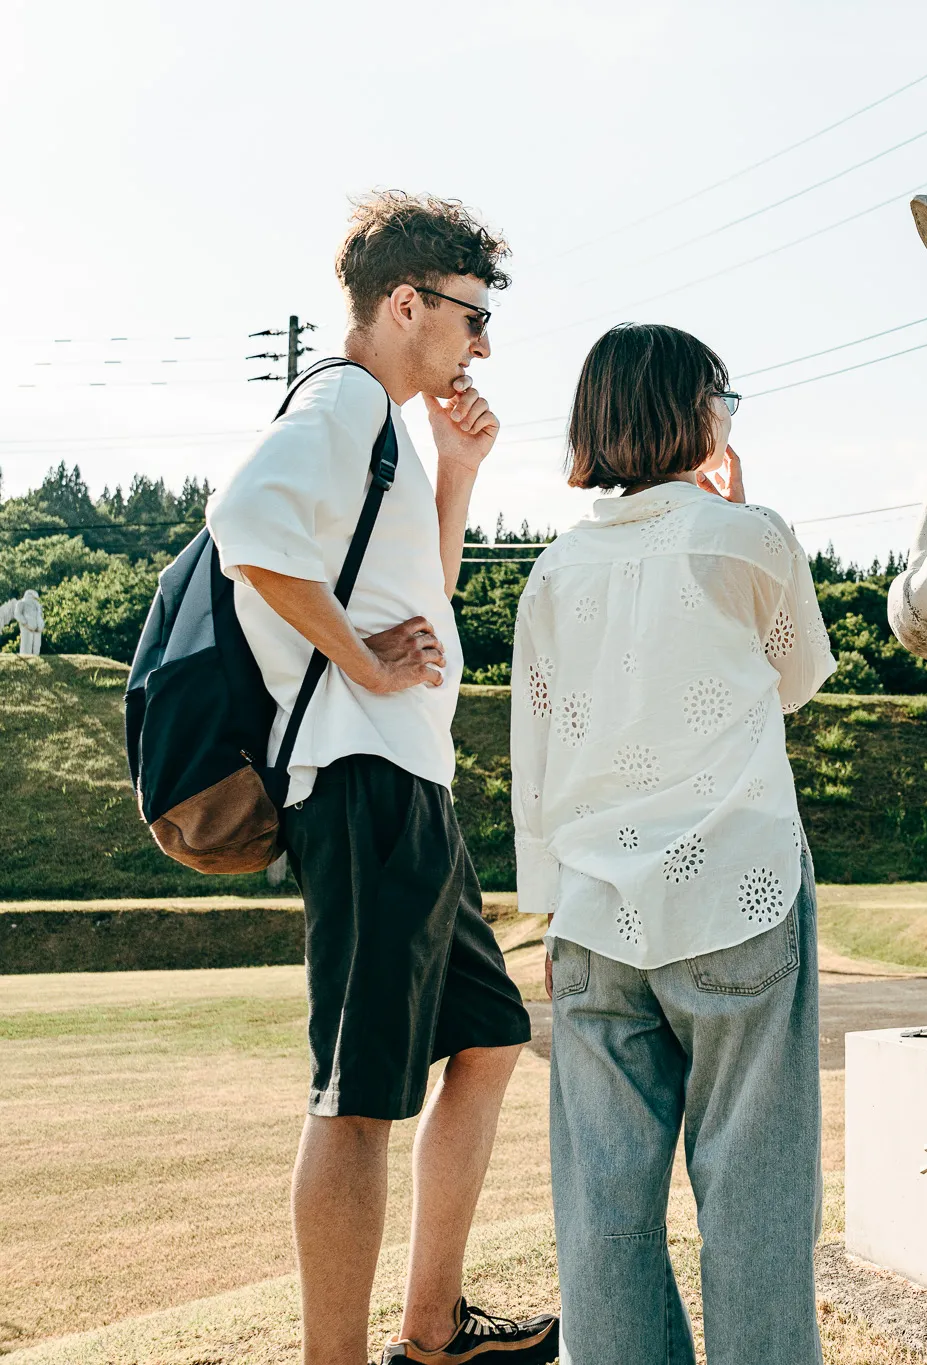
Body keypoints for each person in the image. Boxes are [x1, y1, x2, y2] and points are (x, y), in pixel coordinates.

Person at [207, 191, 557, 1365]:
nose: (482, 343)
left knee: (492, 1035)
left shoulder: (390, 431)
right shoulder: (346, 398)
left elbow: (424, 600)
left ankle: (431, 1326)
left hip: (406, 780)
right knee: (357, 1094)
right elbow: (242, 520)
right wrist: (356, 660)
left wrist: (454, 473)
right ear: (404, 303)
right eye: (470, 315)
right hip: (358, 779)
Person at [511, 323, 836, 1364]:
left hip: (596, 905)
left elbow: (536, 749)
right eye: (722, 397)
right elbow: (798, 678)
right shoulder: (751, 537)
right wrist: (739, 517)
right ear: (692, 412)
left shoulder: (554, 572)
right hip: (736, 890)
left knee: (601, 1200)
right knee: (754, 1192)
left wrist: (547, 900)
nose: (726, 415)